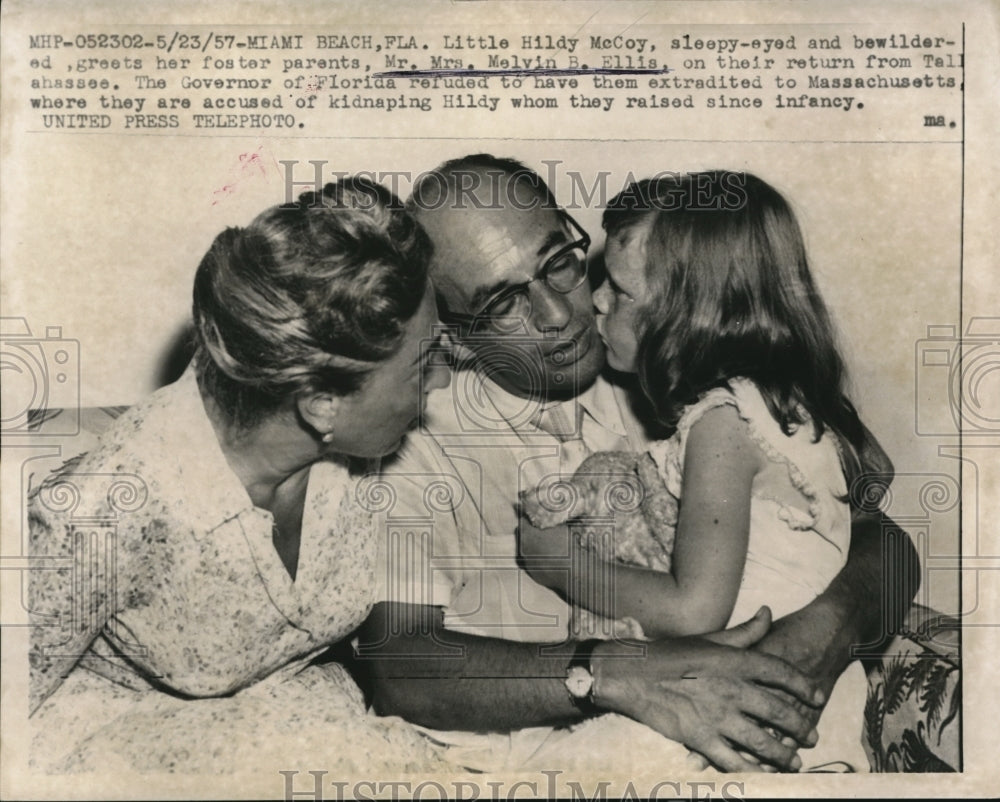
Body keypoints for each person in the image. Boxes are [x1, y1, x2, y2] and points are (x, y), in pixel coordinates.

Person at [356, 154, 919, 774]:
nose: (560, 314)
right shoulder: (410, 449)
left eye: (558, 263)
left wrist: (821, 633)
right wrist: (618, 673)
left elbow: (881, 537)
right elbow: (400, 663)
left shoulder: (666, 351)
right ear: (453, 333)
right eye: (503, 305)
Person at [27, 177, 452, 774]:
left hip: (300, 727)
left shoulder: (365, 444)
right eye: (424, 366)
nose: (441, 383)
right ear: (322, 404)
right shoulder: (104, 510)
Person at [518, 171, 894, 771]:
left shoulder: (721, 424)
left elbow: (694, 611)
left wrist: (557, 561)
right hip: (809, 705)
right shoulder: (789, 403)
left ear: (694, 317)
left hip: (738, 713)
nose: (594, 301)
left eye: (619, 290)